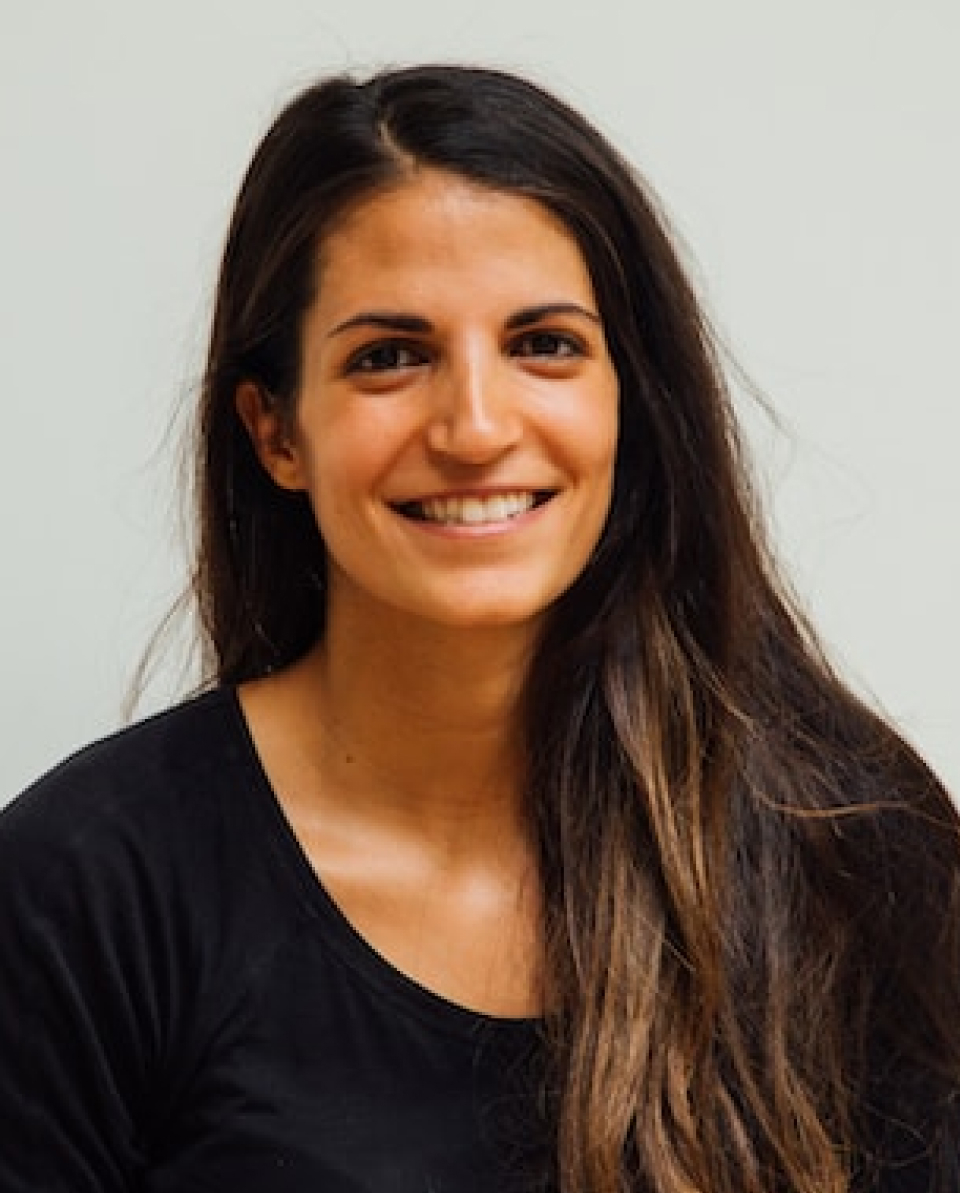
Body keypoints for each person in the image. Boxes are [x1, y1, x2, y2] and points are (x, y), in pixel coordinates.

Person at [0, 65, 957, 1193]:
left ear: (628, 398)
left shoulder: (850, 846)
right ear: (276, 432)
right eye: (389, 356)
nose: (474, 426)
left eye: (544, 343)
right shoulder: (84, 890)